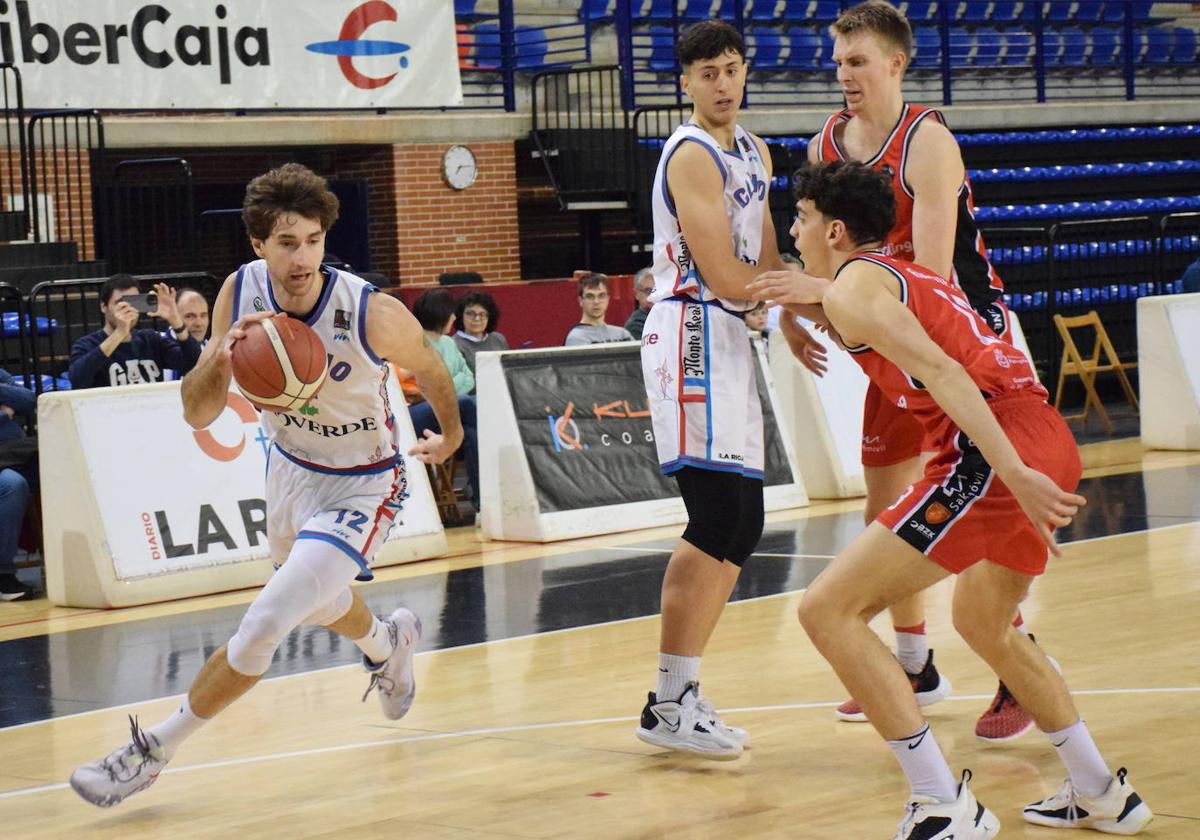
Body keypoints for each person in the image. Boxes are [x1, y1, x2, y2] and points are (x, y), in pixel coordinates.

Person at [69, 163, 464, 807]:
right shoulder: (240, 292)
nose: (302, 257)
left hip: (365, 482)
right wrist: (219, 359)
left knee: (266, 621)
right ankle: (388, 643)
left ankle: (151, 752)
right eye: (287, 243)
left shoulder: (369, 310)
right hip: (290, 472)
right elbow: (198, 412)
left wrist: (449, 438)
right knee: (316, 601)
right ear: (259, 245)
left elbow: (432, 366)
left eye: (312, 240)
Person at [782, 160, 1153, 838]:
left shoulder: (854, 289)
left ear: (834, 230)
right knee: (984, 622)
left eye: (801, 218)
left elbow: (943, 371)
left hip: (991, 452)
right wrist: (793, 307)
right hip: (1043, 431)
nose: (793, 229)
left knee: (827, 610)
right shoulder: (904, 276)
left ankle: (942, 801)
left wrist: (1009, 469)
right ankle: (1101, 791)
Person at [790, 0, 1036, 740]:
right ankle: (914, 663)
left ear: (896, 63)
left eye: (858, 61)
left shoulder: (927, 141)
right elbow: (820, 245)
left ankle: (1016, 668)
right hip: (881, 327)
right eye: (838, 62)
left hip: (955, 330)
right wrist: (799, 314)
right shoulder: (826, 143)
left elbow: (929, 278)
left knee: (973, 503)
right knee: (885, 497)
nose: (845, 75)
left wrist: (836, 297)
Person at [634, 20, 828, 761]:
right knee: (715, 516)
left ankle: (679, 696)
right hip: (690, 328)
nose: (723, 83)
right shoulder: (691, 154)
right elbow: (720, 272)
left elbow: (767, 246)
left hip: (734, 335)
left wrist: (793, 315)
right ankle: (667, 702)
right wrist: (821, 301)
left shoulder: (755, 150)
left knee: (742, 522)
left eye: (732, 69)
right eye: (708, 72)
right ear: (684, 82)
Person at [407, 289, 480, 508]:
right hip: (415, 412)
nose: (455, 318)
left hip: (449, 412)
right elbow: (423, 389)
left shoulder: (449, 343)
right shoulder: (412, 343)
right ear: (442, 315)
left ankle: (482, 503)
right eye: (452, 313)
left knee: (471, 434)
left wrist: (445, 387)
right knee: (468, 403)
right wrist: (445, 388)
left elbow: (469, 378)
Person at [68, 276, 203, 389]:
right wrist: (119, 333)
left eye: (133, 303)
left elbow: (194, 364)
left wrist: (177, 322)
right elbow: (77, 379)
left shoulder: (150, 340)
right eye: (120, 304)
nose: (128, 309)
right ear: (104, 307)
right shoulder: (87, 344)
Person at [0, 368, 36, 602]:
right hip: (8, 468)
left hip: (15, 455)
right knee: (12, 484)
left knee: (63, 469)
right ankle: (3, 575)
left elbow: (28, 399)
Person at [452, 290, 509, 381]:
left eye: (482, 314)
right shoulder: (453, 345)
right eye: (470, 314)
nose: (477, 319)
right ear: (460, 316)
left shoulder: (498, 339)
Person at [564, 273, 635, 345]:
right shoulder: (576, 338)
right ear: (580, 301)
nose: (596, 302)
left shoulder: (623, 334)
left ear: (608, 299)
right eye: (590, 296)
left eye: (601, 296)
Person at [624, 267, 655, 340]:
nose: (654, 296)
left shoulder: (667, 316)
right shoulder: (635, 325)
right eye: (648, 291)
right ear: (636, 294)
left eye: (657, 290)